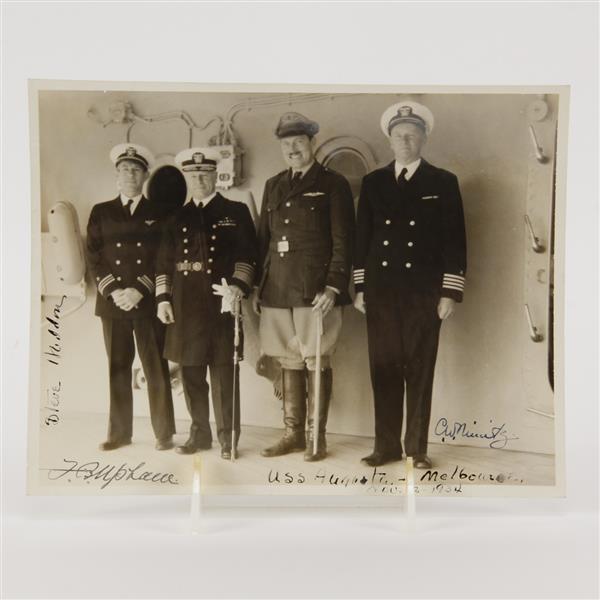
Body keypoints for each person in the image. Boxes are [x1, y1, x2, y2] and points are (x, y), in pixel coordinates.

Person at [354, 101, 467, 469]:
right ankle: (385, 446)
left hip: (424, 295)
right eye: (399, 135)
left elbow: (456, 240)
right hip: (382, 293)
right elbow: (363, 239)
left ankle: (416, 449)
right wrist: (359, 288)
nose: (405, 140)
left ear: (423, 139)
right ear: (389, 140)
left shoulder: (443, 182)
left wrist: (450, 292)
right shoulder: (373, 183)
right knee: (383, 369)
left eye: (412, 135)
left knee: (419, 370)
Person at [254, 112, 355, 461]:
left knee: (315, 358)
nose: (292, 149)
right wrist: (258, 287)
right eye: (286, 144)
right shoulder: (273, 184)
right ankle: (293, 434)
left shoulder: (333, 183)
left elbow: (344, 241)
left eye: (298, 142)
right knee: (288, 360)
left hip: (315, 292)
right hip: (278, 290)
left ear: (312, 143)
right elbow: (263, 242)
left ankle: (317, 438)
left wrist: (333, 287)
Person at [156, 149, 257, 459]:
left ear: (216, 176)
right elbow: (163, 262)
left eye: (205, 173)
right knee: (191, 374)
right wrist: (162, 298)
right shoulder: (176, 217)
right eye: (193, 174)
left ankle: (229, 439)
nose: (199, 179)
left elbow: (248, 255)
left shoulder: (235, 211)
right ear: (188, 178)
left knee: (224, 375)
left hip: (220, 303)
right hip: (184, 304)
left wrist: (238, 287)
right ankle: (200, 434)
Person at [86, 143, 176, 451]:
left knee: (156, 369)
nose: (129, 174)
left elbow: (163, 257)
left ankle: (164, 434)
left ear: (145, 175)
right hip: (113, 304)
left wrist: (139, 289)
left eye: (136, 169)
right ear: (116, 175)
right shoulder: (101, 212)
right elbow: (94, 257)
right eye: (124, 169)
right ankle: (119, 434)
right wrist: (114, 291)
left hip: (146, 301)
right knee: (118, 369)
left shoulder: (159, 214)